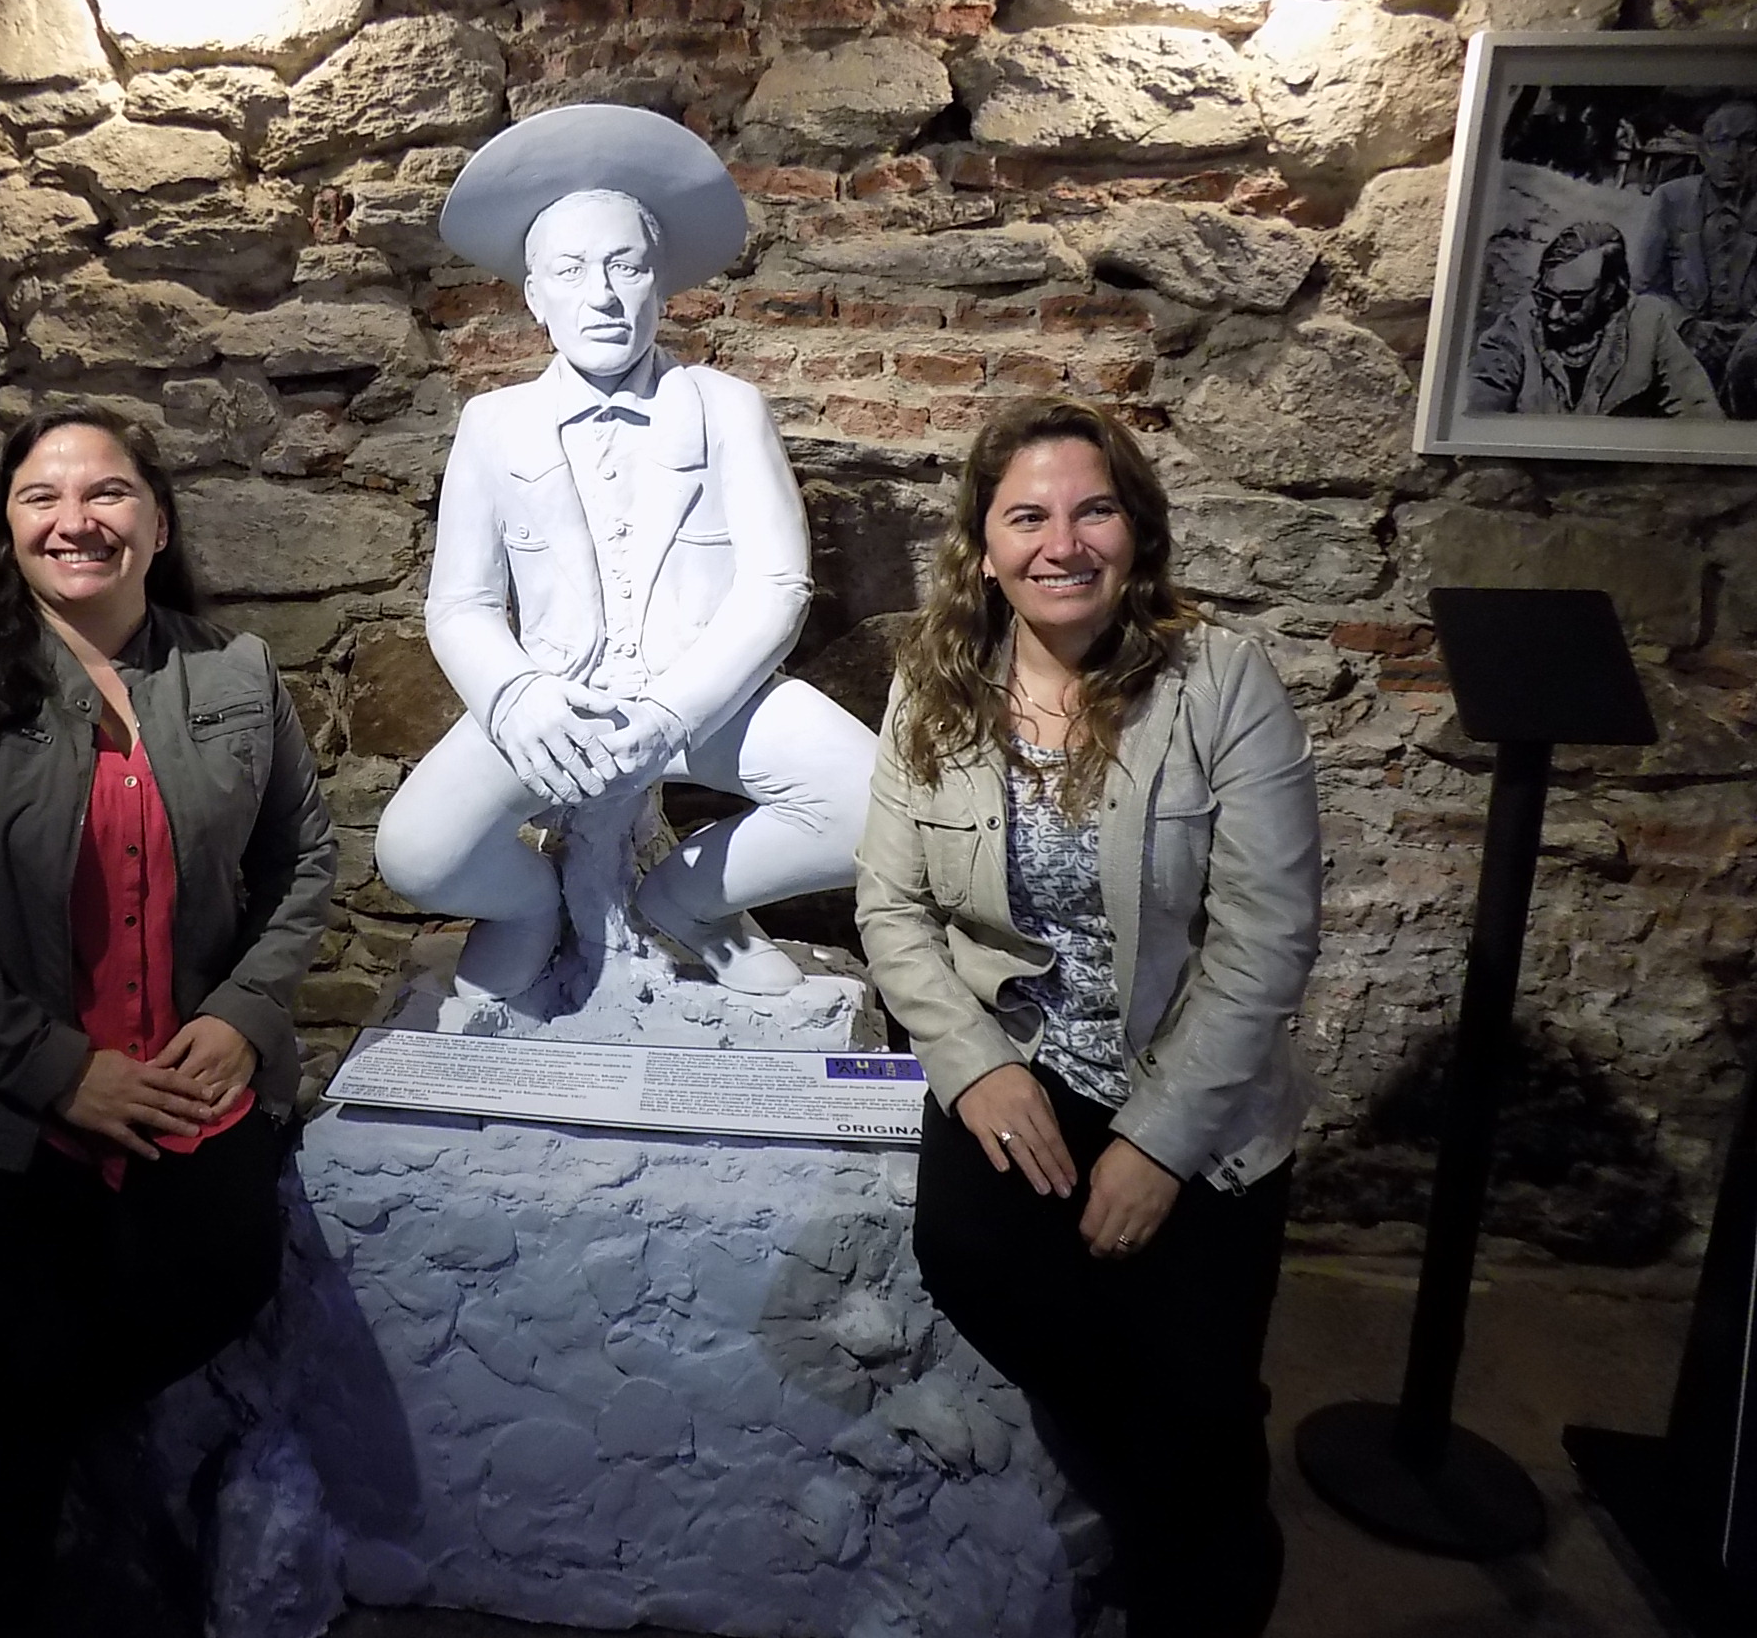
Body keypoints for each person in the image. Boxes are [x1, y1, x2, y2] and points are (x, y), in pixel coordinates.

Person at [0, 406, 336, 1637]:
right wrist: (59, 1072)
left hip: (188, 1079)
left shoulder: (235, 677)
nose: (76, 520)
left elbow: (302, 858)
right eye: (41, 497)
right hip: (11, 1103)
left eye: (107, 493)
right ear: (9, 528)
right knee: (26, 1345)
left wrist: (242, 1013)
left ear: (158, 524)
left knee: (215, 1283)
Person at [855, 398, 1322, 1636]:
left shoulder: (1219, 683)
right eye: (1027, 517)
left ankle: (1202, 1567)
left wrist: (1158, 1144)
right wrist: (971, 1068)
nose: (1061, 544)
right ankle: (1163, 1498)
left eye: (1092, 510)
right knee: (975, 1262)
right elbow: (890, 906)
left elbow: (1267, 936)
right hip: (1021, 1054)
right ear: (984, 548)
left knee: (1200, 1389)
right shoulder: (933, 689)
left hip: (1194, 1082)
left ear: (1136, 532)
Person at [376, 103, 875, 1000]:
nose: (601, 295)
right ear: (535, 296)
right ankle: (531, 909)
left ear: (660, 283)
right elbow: (461, 604)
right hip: (557, 702)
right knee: (416, 854)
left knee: (882, 807)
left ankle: (688, 900)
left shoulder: (726, 406)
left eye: (626, 266)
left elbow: (777, 583)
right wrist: (517, 696)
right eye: (571, 271)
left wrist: (675, 713)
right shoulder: (493, 424)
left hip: (708, 699)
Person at [1465, 221, 1720, 418]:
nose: (1554, 313)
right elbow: (1479, 407)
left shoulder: (1649, 323)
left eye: (1572, 302)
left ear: (1609, 291)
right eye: (1545, 296)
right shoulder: (1518, 324)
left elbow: (1700, 414)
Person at [1633, 98, 1757, 416]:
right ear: (1702, 151)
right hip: (1684, 341)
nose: (1732, 156)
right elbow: (1644, 285)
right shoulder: (1671, 199)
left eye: (1748, 142)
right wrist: (1686, 325)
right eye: (1719, 142)